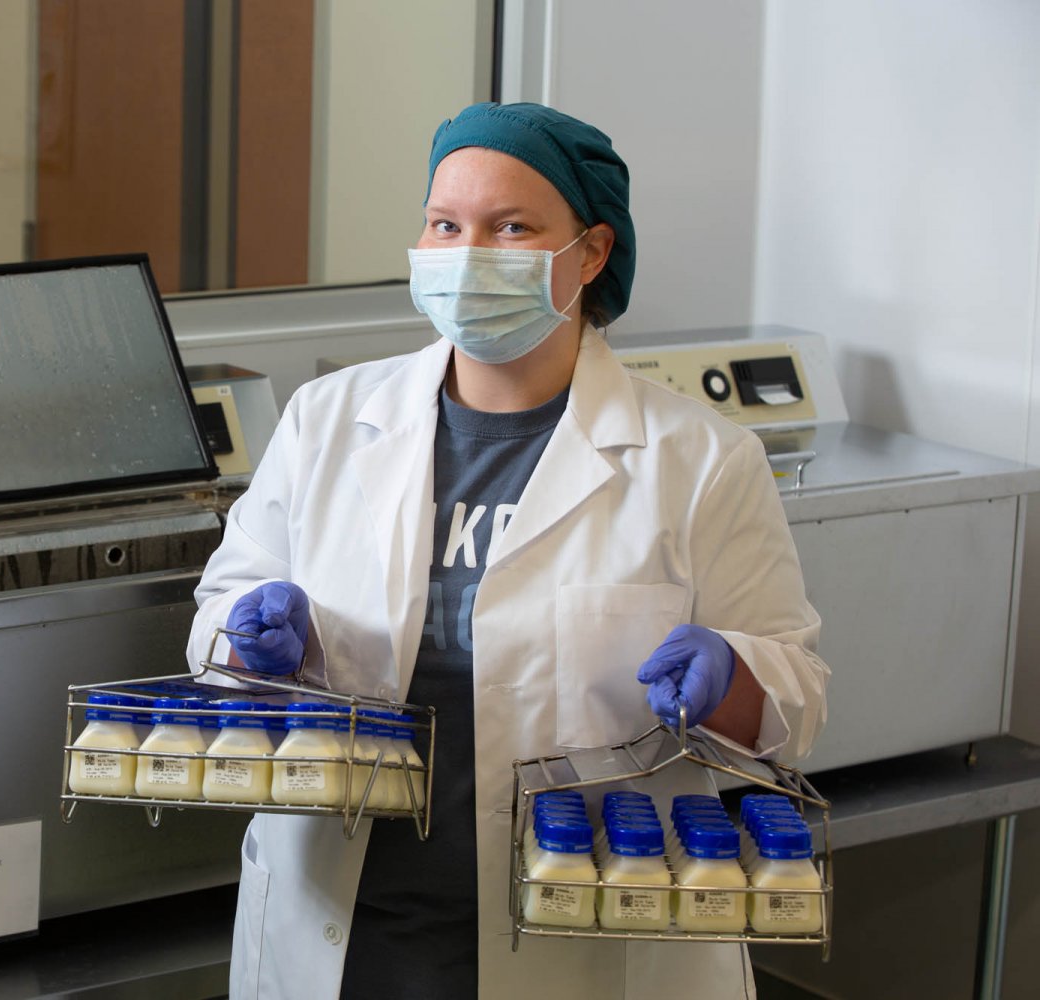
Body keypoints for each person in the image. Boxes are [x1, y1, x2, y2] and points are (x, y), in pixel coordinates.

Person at [185, 101, 829, 1000]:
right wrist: (249, 637)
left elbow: (795, 703)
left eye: (511, 227)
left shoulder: (700, 462)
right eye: (445, 224)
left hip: (589, 941)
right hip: (345, 931)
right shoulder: (329, 421)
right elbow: (221, 614)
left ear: (592, 253)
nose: (466, 253)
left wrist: (735, 677)